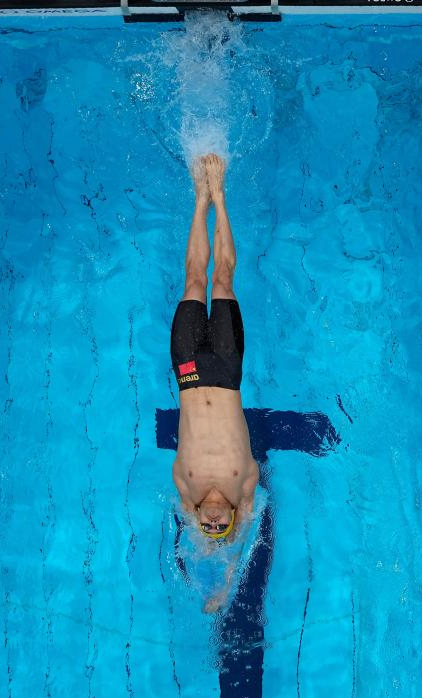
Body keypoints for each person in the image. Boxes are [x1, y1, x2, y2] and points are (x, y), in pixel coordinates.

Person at [171, 153, 259, 558]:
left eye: (207, 527)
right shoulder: (244, 485)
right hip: (225, 370)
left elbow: (190, 526)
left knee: (192, 279)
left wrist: (204, 547)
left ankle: (198, 199)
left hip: (188, 371)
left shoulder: (185, 487)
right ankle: (220, 198)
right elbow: (244, 536)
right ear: (233, 518)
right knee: (222, 278)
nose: (211, 523)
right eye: (219, 528)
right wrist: (225, 577)